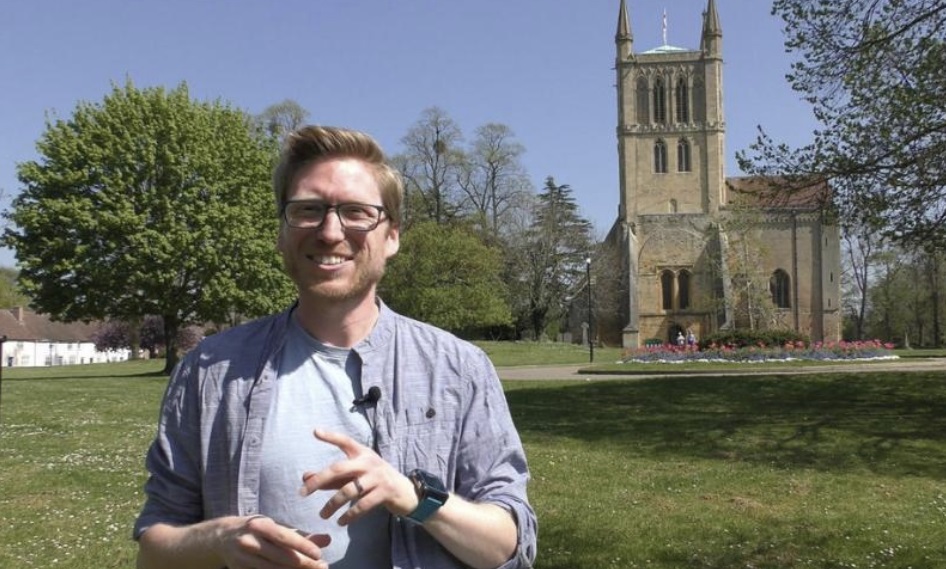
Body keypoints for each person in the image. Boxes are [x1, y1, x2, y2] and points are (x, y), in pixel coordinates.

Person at [134, 125, 537, 569]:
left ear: (393, 236)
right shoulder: (209, 371)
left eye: (356, 212)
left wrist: (413, 497)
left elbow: (508, 544)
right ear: (281, 233)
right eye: (308, 210)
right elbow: (154, 551)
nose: (329, 231)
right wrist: (220, 539)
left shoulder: (459, 368)